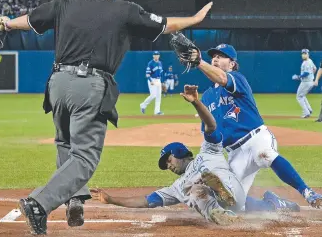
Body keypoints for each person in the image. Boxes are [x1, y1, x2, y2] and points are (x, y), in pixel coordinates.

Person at [0, 0, 213, 235]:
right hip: (89, 85)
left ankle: (74, 198)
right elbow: (167, 24)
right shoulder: (123, 9)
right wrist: (195, 19)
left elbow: (29, 20)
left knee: (65, 143)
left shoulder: (64, 3)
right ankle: (38, 203)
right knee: (85, 157)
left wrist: (6, 24)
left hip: (56, 83)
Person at [191, 43, 322, 211]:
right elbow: (211, 135)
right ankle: (275, 205)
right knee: (231, 205)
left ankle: (308, 192)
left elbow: (222, 79)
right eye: (213, 56)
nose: (215, 58)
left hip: (256, 139)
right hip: (235, 153)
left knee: (265, 155)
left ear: (232, 64)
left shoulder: (236, 78)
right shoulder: (207, 96)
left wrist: (200, 62)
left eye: (221, 56)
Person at [93, 84, 246, 226]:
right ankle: (220, 213)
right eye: (166, 165)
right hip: (223, 205)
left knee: (207, 178)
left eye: (168, 160)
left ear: (179, 153)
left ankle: (222, 191)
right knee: (196, 190)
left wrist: (195, 103)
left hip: (235, 192)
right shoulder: (177, 187)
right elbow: (145, 201)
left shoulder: (208, 150)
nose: (168, 166)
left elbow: (211, 125)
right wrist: (111, 199)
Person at [292, 49, 317, 118]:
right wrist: (312, 76)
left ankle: (306, 112)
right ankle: (309, 109)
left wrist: (299, 76)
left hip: (306, 82)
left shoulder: (306, 63)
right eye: (303, 53)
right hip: (310, 81)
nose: (303, 54)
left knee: (299, 97)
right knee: (302, 95)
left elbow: (306, 73)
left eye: (305, 53)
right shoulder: (310, 61)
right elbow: (315, 68)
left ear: (308, 54)